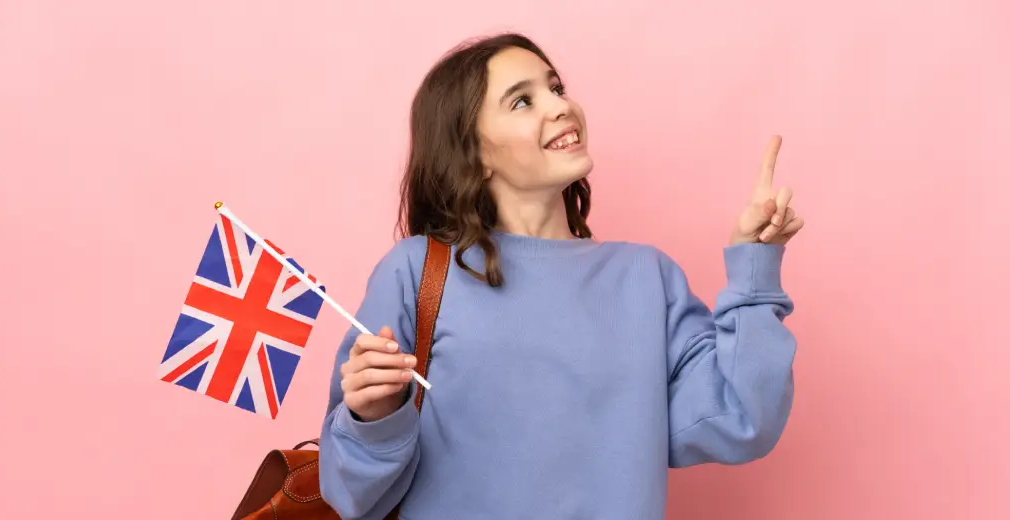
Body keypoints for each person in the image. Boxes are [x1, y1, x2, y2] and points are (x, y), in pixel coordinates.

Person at [318, 32, 803, 520]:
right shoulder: (417, 270)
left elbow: (744, 417)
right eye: (523, 101)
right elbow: (351, 494)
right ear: (475, 152)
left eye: (556, 88)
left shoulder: (645, 278)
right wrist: (373, 417)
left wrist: (754, 266)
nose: (560, 106)